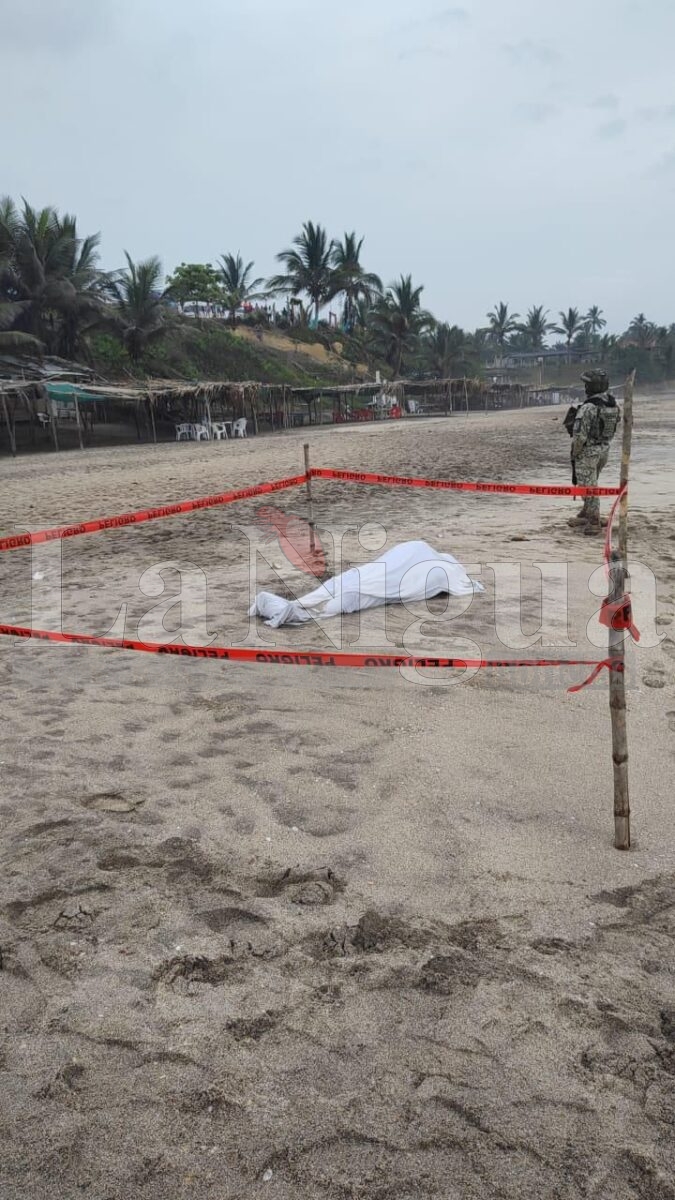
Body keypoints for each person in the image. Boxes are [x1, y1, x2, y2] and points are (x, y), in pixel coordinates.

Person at [568, 370, 620, 534]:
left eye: (587, 384)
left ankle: (594, 520)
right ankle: (586, 512)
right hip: (604, 449)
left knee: (588, 487)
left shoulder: (588, 407)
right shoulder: (612, 404)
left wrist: (575, 453)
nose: (585, 387)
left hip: (588, 452)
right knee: (591, 483)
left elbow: (579, 436)